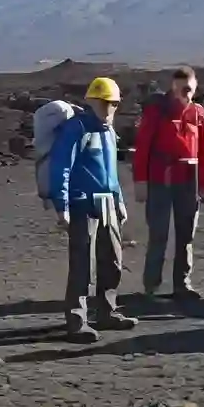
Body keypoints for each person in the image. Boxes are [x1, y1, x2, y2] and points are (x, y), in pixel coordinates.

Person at [49, 78, 139, 344]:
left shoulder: (108, 132)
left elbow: (111, 172)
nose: (109, 109)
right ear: (92, 102)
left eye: (113, 104)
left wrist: (119, 200)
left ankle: (107, 312)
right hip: (82, 204)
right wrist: (61, 206)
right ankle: (77, 321)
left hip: (107, 203)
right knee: (82, 265)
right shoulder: (76, 129)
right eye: (105, 103)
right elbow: (62, 167)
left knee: (112, 260)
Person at [132, 65, 204, 302]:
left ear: (195, 87)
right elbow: (143, 147)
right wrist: (141, 180)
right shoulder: (157, 111)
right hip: (160, 179)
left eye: (189, 90)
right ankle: (152, 286)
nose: (185, 95)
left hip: (189, 180)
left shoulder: (199, 114)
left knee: (186, 234)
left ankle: (182, 284)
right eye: (181, 90)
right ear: (172, 87)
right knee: (158, 233)